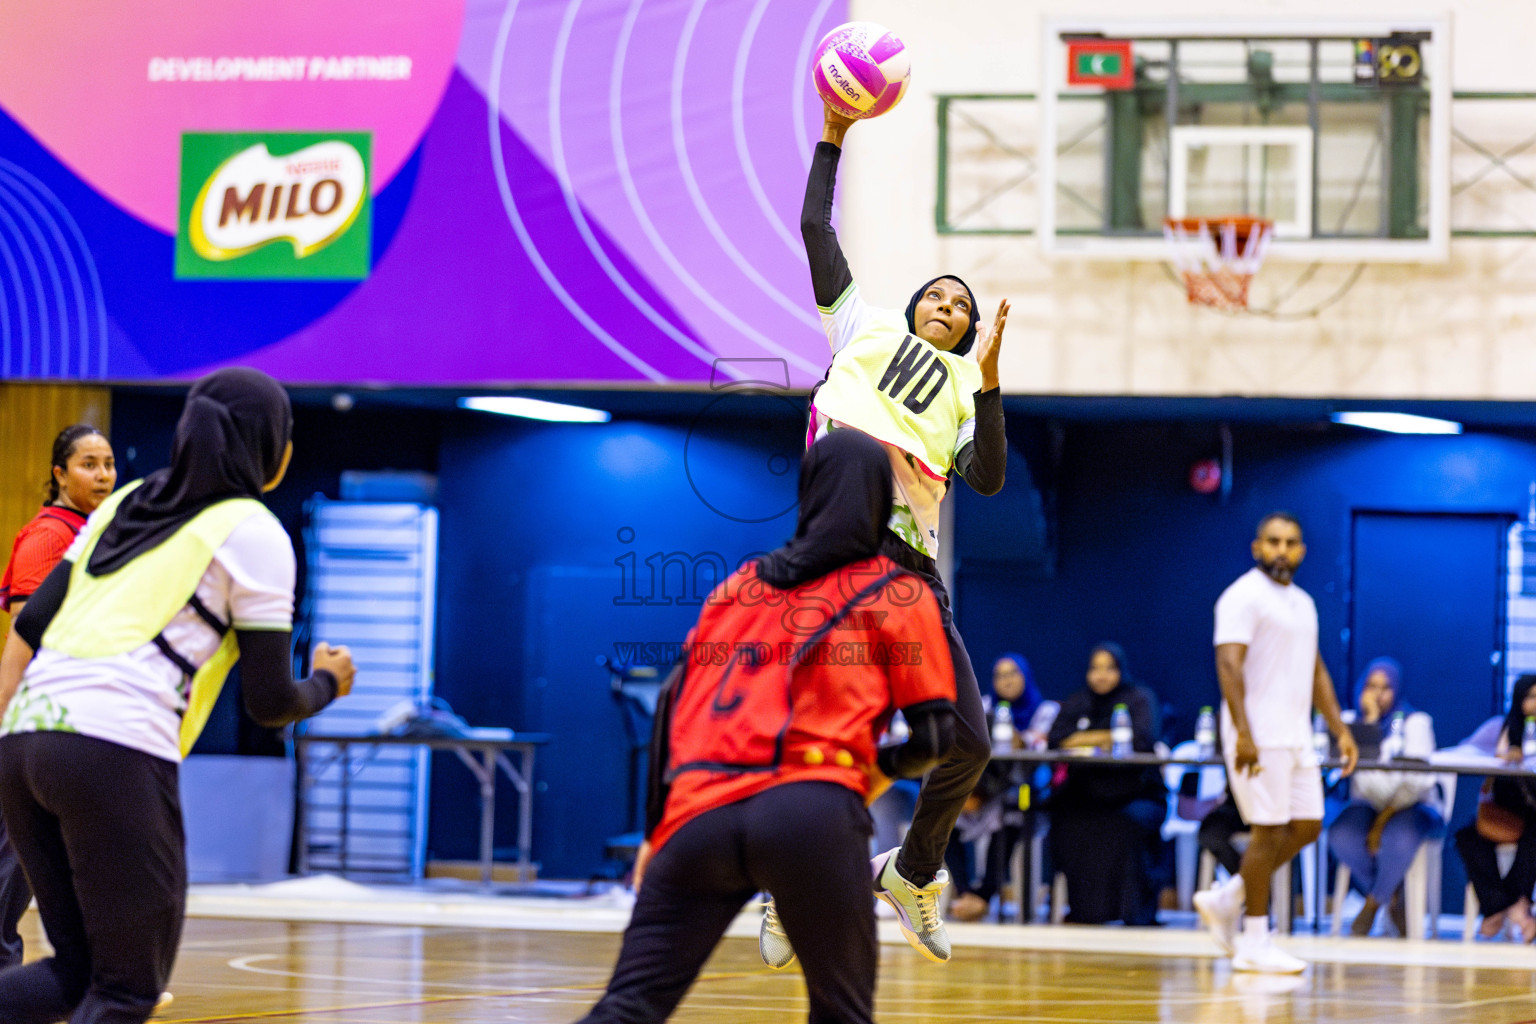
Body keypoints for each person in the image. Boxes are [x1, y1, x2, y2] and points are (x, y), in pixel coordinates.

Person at [0, 367, 355, 1024]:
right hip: (112, 748)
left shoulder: (126, 499)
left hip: (24, 745)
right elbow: (270, 702)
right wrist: (328, 682)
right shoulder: (253, 530)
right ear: (268, 448)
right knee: (128, 989)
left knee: (75, 974)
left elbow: (29, 623)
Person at [574, 430, 957, 1024]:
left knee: (629, 1006)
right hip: (809, 811)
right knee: (842, 1014)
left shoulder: (735, 588)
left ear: (805, 493)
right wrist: (862, 779)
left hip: (696, 816)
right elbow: (938, 740)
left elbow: (671, 715)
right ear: (882, 500)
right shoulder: (897, 591)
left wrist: (655, 834)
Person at [759, 96, 1010, 967]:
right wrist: (833, 137)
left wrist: (989, 384)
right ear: (909, 311)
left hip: (909, 572)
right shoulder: (859, 327)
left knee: (967, 744)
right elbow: (811, 226)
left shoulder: (963, 388)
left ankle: (908, 873)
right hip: (838, 551)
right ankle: (791, 881)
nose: (945, 302)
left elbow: (986, 478)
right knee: (826, 736)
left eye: (959, 303)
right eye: (934, 294)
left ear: (970, 331)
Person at [1194, 512, 1358, 973]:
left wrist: (1340, 728)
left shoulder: (1304, 603)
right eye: (1273, 542)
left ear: (1302, 550)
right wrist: (1244, 733)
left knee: (1308, 825)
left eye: (1290, 542)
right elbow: (1228, 665)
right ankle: (1253, 940)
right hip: (1257, 735)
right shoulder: (1242, 596)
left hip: (1297, 735)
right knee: (1267, 832)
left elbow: (1316, 669)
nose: (1281, 550)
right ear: (1257, 547)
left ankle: (1230, 896)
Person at [0, 425, 117, 973]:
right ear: (59, 474)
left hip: (74, 720)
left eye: (108, 463)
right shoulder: (51, 535)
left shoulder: (96, 533)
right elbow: (26, 630)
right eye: (88, 464)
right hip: (36, 720)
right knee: (16, 857)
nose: (102, 475)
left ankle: (96, 977)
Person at [1045, 643, 1167, 925]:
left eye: (1109, 668)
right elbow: (1057, 739)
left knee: (1127, 823)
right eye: (1095, 668)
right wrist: (1106, 737)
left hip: (1136, 792)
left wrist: (1085, 737)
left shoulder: (1139, 698)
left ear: (1120, 670)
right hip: (1085, 793)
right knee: (1068, 821)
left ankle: (1132, 912)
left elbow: (1142, 740)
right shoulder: (1078, 701)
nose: (1101, 675)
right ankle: (1086, 911)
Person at [1328, 657, 1448, 936]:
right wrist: (1368, 724)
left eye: (1386, 687)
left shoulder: (1415, 722)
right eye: (1371, 685)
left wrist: (1383, 820)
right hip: (1367, 804)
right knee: (1342, 834)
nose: (1377, 694)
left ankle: (1371, 904)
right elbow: (1357, 780)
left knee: (1400, 836)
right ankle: (1391, 896)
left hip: (1410, 804)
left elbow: (1415, 783)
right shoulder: (1350, 725)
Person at [946, 654, 1055, 922]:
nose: (1005, 681)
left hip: (1028, 792)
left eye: (1012, 674)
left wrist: (1004, 725)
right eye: (999, 675)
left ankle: (984, 895)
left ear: (1026, 676)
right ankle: (964, 892)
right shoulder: (982, 705)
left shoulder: (1046, 711)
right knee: (944, 813)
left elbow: (1035, 752)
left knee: (1009, 815)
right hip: (984, 788)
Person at [1455, 673, 1536, 942]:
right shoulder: (1499, 727)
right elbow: (1465, 751)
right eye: (1530, 697)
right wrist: (1501, 757)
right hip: (1504, 808)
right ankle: (1502, 905)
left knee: (1533, 837)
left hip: (1533, 811)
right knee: (1467, 837)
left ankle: (1512, 904)